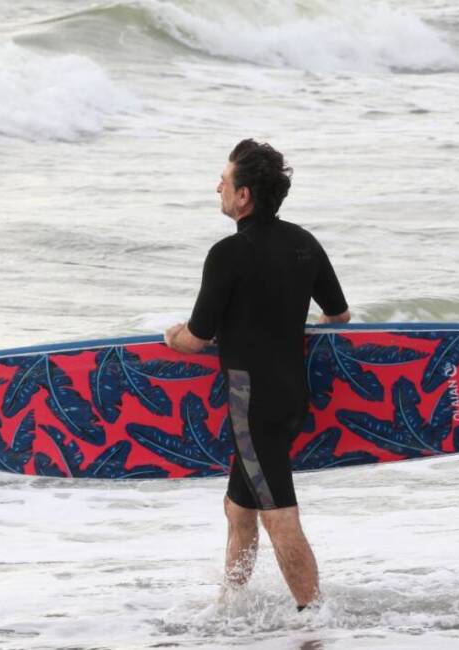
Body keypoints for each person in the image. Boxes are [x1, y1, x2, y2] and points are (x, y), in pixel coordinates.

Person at [164, 139, 350, 611]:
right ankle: (232, 604)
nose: (218, 188)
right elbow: (339, 315)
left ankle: (314, 624)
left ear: (244, 195)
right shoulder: (304, 243)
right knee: (239, 507)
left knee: (279, 515)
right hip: (291, 396)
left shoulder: (227, 254)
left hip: (251, 406)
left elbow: (198, 337)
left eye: (224, 181)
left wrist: (172, 337)